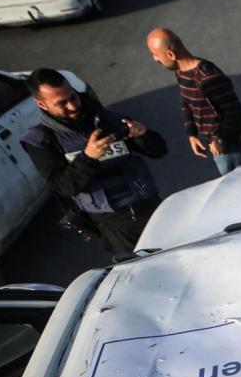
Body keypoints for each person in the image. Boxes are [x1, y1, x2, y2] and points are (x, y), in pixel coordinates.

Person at [20, 69, 166, 254]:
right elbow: (63, 187)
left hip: (151, 206)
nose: (72, 106)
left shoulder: (108, 118)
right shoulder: (41, 141)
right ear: (41, 103)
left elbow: (159, 151)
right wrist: (88, 158)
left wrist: (144, 136)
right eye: (61, 103)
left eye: (73, 97)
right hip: (114, 224)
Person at [146, 28, 241, 175]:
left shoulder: (207, 77)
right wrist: (192, 134)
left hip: (231, 148)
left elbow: (235, 113)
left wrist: (218, 140)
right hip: (218, 147)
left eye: (155, 54)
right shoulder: (182, 72)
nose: (155, 59)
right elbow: (187, 102)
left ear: (171, 54)